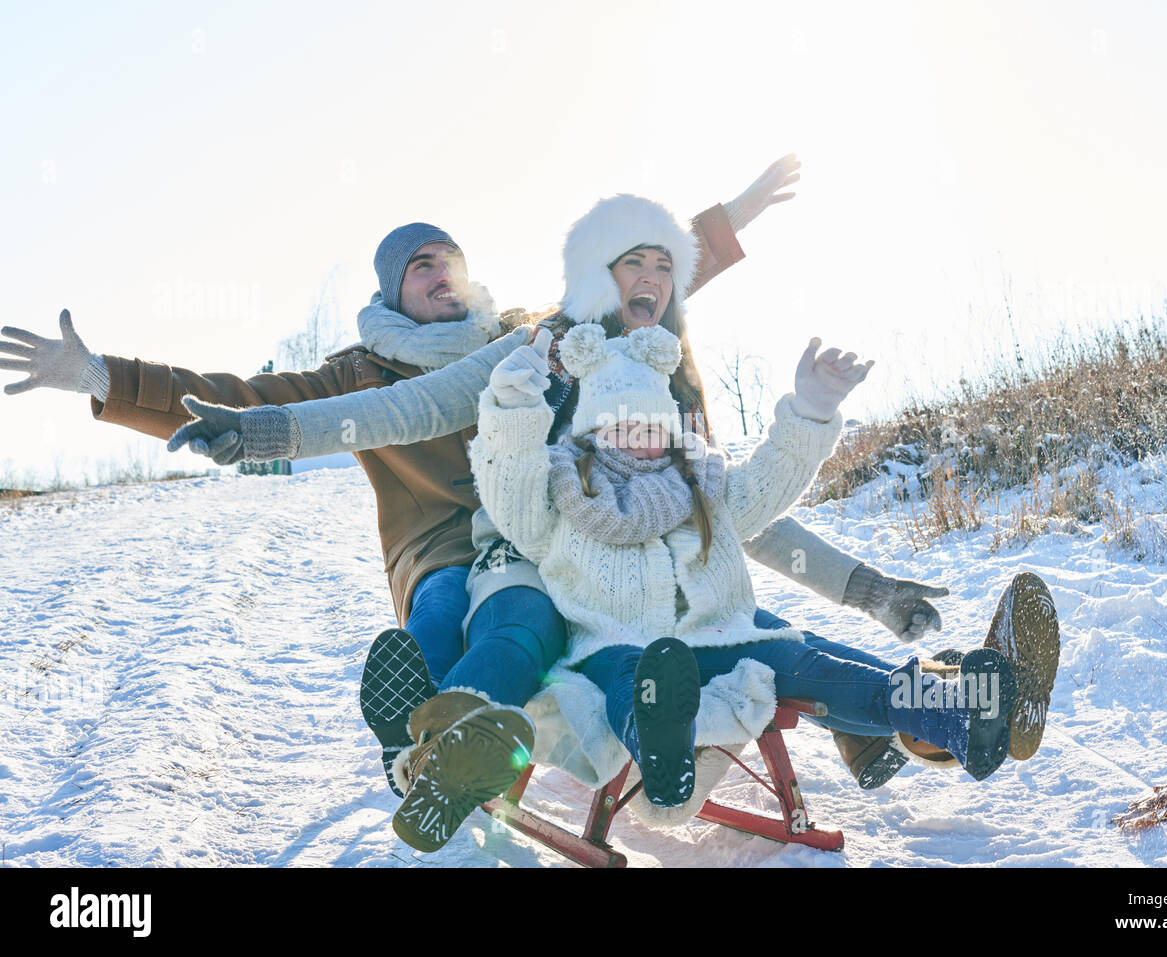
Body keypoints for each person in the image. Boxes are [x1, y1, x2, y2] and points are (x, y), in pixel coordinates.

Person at [0, 158, 809, 798]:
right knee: (445, 602)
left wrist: (733, 214)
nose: (440, 274)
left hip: (547, 532)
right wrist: (104, 377)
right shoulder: (363, 370)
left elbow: (641, 279)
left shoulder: (528, 334)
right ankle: (411, 734)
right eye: (421, 267)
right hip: (440, 550)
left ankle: (842, 699)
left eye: (449, 260)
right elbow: (252, 398)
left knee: (646, 600)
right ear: (395, 289)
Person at [463, 308, 1050, 829]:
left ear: (669, 427)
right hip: (613, 644)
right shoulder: (563, 494)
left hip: (722, 635)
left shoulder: (702, 485)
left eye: (649, 425)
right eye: (620, 425)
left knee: (810, 665)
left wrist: (810, 413)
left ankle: (952, 719)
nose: (637, 439)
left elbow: (769, 485)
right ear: (592, 430)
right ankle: (661, 751)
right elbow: (508, 492)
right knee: (633, 676)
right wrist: (512, 414)